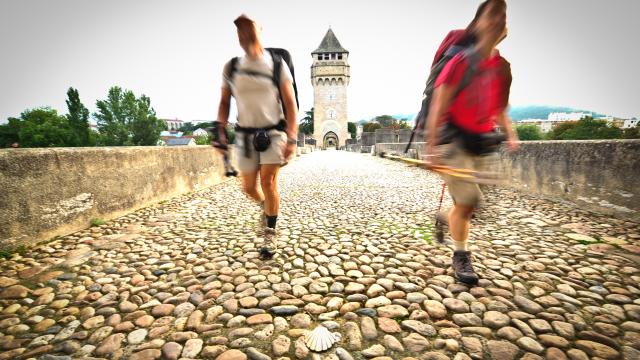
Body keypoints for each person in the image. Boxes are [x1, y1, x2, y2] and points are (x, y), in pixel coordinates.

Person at [425, 0, 518, 284]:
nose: (498, 20)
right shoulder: (460, 62)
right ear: (476, 25)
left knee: (469, 205)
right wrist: (432, 147)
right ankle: (461, 255)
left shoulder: (502, 67)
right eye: (492, 15)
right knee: (469, 201)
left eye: (502, 16)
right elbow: (439, 104)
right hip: (455, 141)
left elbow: (500, 107)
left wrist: (511, 134)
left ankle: (446, 217)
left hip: (482, 141)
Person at [215, 14, 298, 259]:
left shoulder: (276, 64)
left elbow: (290, 105)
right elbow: (223, 102)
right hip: (244, 135)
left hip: (273, 132)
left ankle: (269, 234)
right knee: (249, 187)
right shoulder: (231, 67)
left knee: (268, 182)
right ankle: (266, 209)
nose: (244, 37)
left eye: (248, 31)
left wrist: (291, 138)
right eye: (239, 32)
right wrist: (219, 130)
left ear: (259, 32)